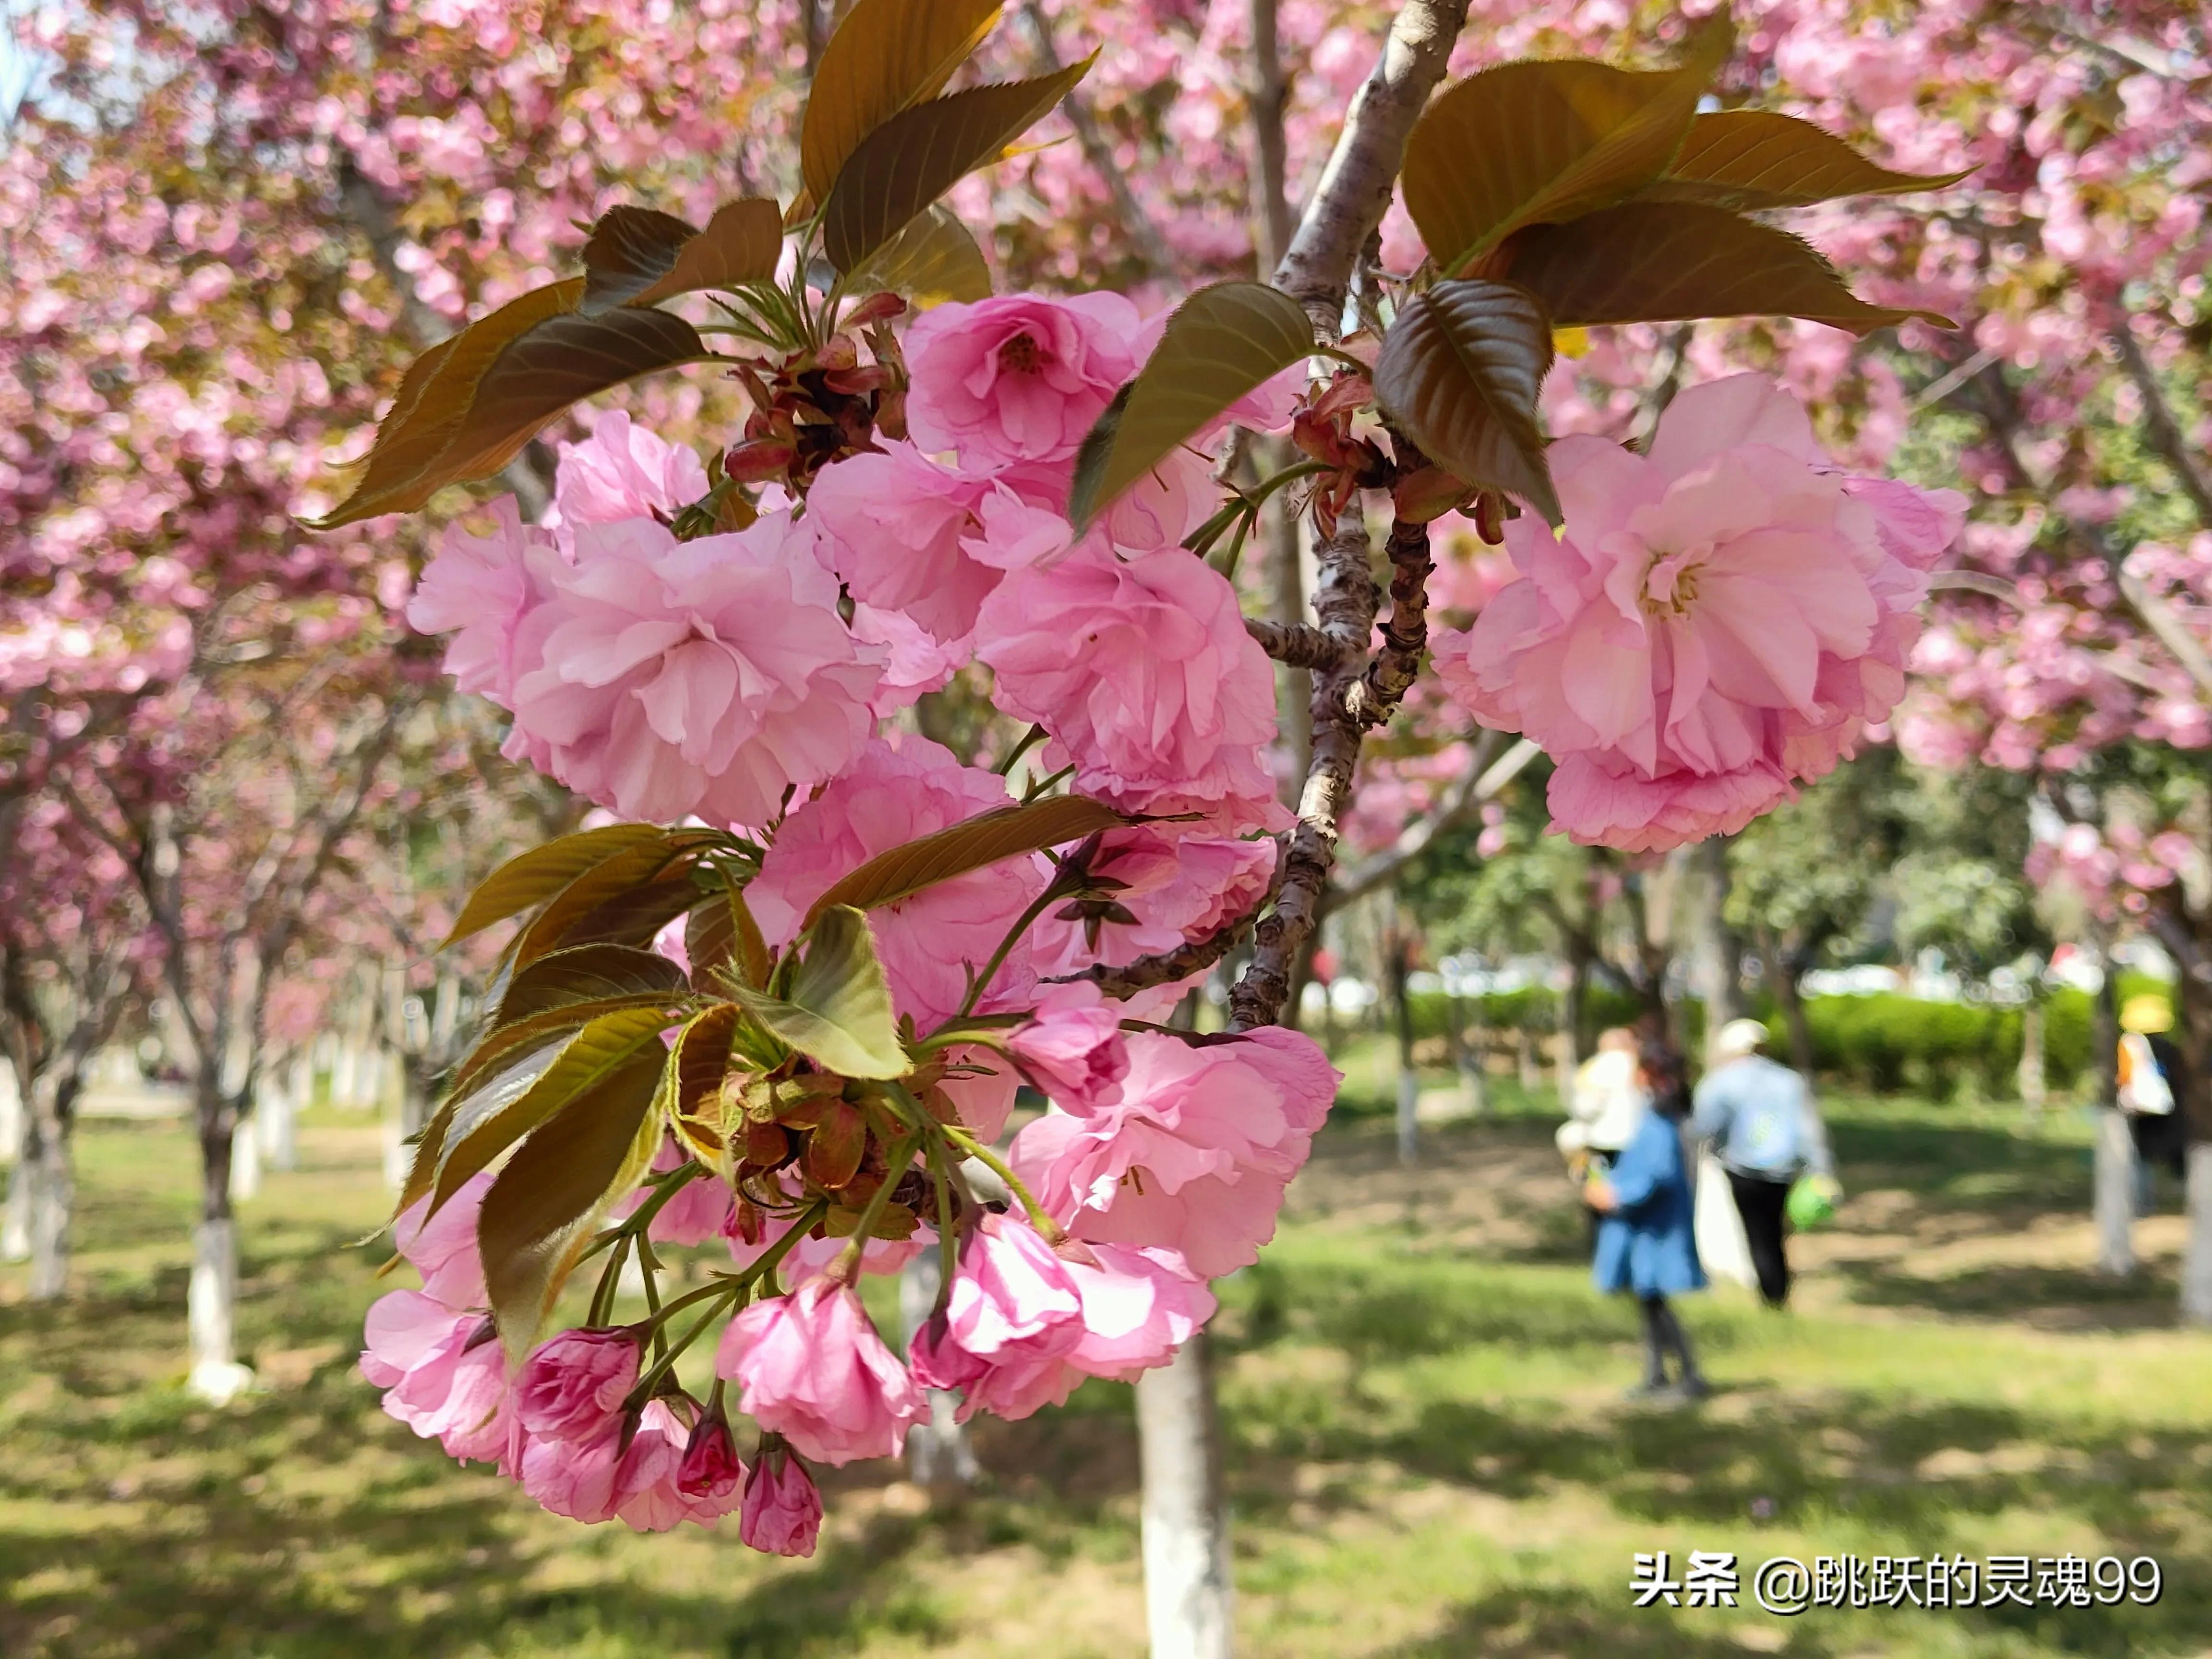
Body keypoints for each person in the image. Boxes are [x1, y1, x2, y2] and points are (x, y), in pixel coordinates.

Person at [1586, 1040, 1708, 1400]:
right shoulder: (1656, 1114)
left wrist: (1615, 1196)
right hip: (1647, 1227)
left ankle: (1689, 1378)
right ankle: (1656, 1375)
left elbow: (1656, 1175)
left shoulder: (1660, 1121)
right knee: (1650, 1304)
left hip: (1656, 1229)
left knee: (1656, 1304)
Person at [1690, 1018, 1834, 1309]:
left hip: (1742, 1169)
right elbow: (1809, 1130)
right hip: (1783, 1171)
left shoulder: (1721, 1081)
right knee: (1776, 1231)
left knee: (1756, 1233)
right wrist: (1821, 1169)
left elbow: (1705, 1126)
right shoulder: (1789, 1080)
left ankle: (1770, 1295)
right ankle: (1778, 1291)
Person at [2117, 993, 2188, 1201]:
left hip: (2143, 1112)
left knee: (2142, 1157)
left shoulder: (2131, 1046)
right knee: (2178, 1153)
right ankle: (2185, 1192)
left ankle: (2144, 1201)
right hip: (2171, 1109)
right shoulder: (2171, 1049)